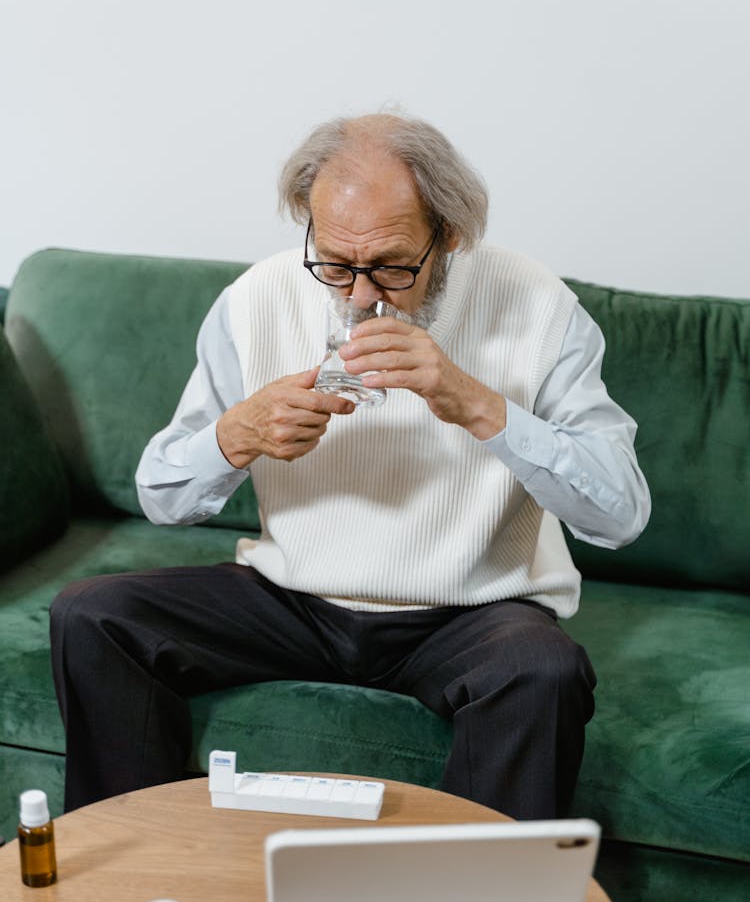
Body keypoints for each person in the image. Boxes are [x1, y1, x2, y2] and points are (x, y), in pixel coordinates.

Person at [50, 112, 650, 820]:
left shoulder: (538, 305)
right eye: (336, 265)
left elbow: (621, 512)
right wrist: (237, 434)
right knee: (92, 615)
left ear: (450, 236)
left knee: (544, 671)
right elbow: (161, 493)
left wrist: (475, 403)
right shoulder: (255, 300)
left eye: (392, 267)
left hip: (469, 609)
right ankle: (131, 871)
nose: (362, 296)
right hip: (293, 601)